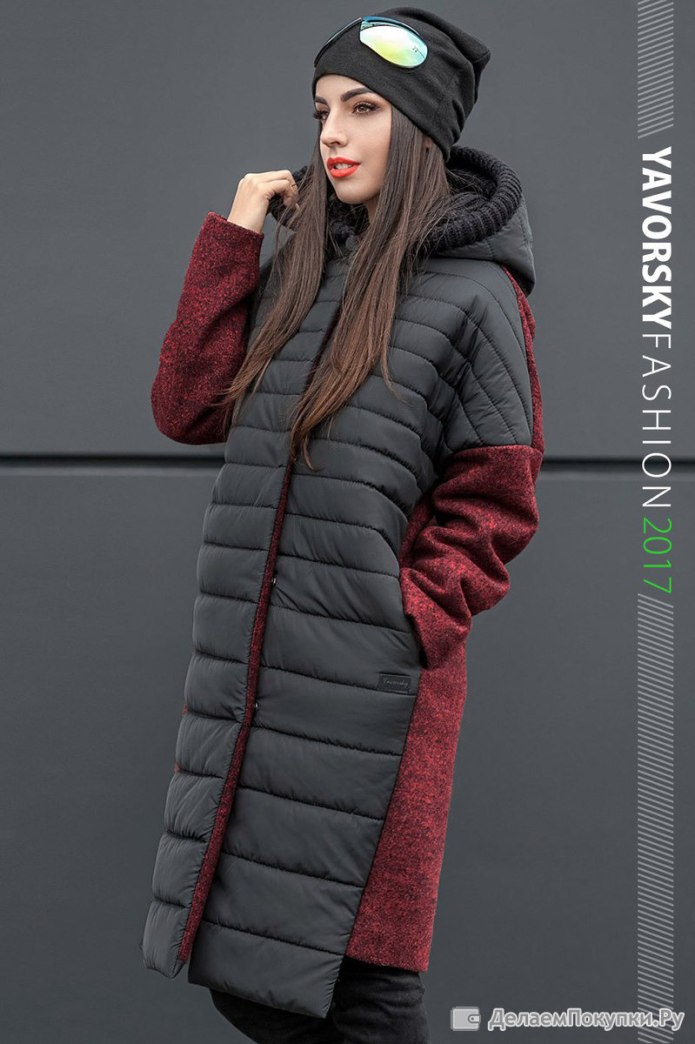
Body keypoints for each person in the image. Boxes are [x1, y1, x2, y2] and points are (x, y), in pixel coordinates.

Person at [140, 7, 545, 1042]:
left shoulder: (477, 295)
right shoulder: (305, 267)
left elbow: (496, 499)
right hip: (253, 690)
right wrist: (236, 237)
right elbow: (187, 408)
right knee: (249, 979)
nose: (332, 133)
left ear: (420, 127)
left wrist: (401, 621)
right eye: (322, 109)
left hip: (370, 702)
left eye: (363, 108)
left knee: (363, 990)